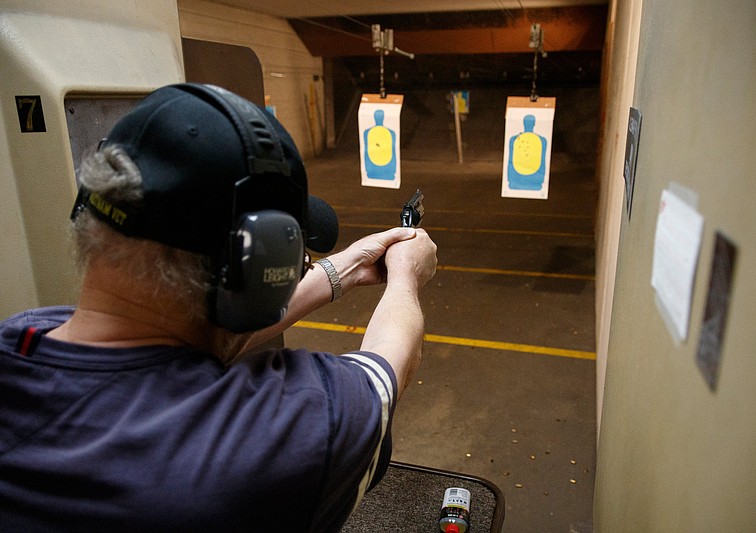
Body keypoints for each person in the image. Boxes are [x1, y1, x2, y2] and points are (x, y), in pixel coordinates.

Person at [0, 84, 438, 531]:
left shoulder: (23, 335)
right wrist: (406, 274)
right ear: (258, 273)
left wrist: (341, 270)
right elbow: (391, 364)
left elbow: (178, 334)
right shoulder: (278, 437)